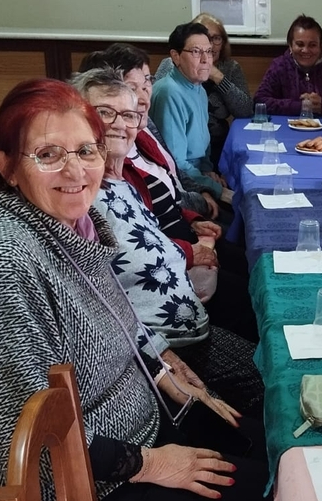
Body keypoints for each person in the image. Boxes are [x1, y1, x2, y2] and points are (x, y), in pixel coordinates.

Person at [0, 78, 270, 501]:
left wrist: (166, 373)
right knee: (275, 487)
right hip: (82, 477)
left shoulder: (75, 226)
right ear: (7, 167)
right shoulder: (0, 262)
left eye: (87, 150)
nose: (75, 171)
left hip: (143, 422)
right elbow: (24, 431)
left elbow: (116, 324)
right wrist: (150, 463)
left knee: (279, 452)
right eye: (48, 154)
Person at [72, 69, 263, 407]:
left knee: (268, 335)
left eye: (128, 115)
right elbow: (94, 305)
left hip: (189, 329)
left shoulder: (123, 184)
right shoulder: (80, 199)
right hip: (161, 351)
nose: (119, 124)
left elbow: (156, 230)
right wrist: (158, 357)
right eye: (104, 112)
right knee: (273, 386)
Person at [79, 43, 221, 221]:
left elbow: (172, 171)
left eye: (147, 82)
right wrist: (201, 205)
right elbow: (159, 204)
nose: (144, 99)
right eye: (131, 88)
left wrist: (203, 191)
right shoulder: (116, 148)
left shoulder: (145, 126)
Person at [156, 13, 253, 165]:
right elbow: (174, 160)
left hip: (214, 147)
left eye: (216, 39)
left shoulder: (204, 84)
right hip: (180, 161)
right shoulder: (171, 82)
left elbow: (246, 110)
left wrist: (219, 78)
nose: (208, 50)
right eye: (196, 50)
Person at [150, 22, 229, 202]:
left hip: (197, 174)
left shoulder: (198, 87)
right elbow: (175, 163)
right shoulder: (169, 92)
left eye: (209, 51)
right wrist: (214, 189)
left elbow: (203, 143)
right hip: (180, 185)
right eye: (196, 52)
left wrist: (208, 170)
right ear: (176, 56)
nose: (205, 59)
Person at [253, 14, 322, 117]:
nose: (306, 50)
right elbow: (259, 101)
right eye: (300, 44)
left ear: (321, 46)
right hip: (288, 128)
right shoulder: (279, 66)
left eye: (312, 45)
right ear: (290, 46)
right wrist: (299, 106)